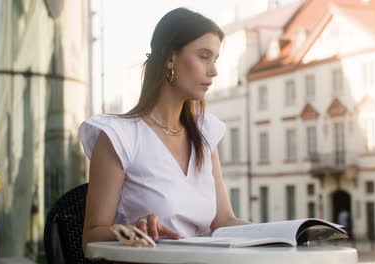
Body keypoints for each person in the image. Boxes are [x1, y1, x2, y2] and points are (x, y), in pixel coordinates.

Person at [80, 8, 250, 247]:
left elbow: (223, 221)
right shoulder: (119, 136)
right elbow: (92, 235)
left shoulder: (205, 134)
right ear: (170, 58)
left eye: (215, 59)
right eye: (203, 56)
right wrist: (131, 230)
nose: (214, 71)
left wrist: (285, 232)